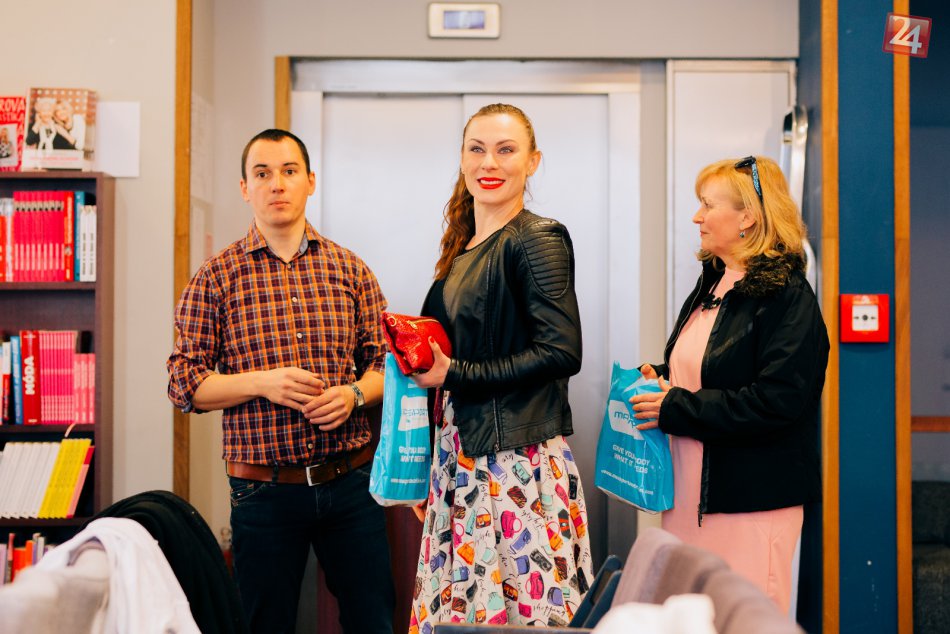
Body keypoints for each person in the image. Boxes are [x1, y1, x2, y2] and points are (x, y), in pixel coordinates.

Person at [167, 128, 395, 633]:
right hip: (262, 492)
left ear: (310, 181)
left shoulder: (350, 269)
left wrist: (355, 394)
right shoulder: (216, 277)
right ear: (245, 188)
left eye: (289, 171)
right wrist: (262, 383)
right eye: (263, 173)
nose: (277, 184)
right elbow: (185, 383)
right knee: (263, 624)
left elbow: (387, 363)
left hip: (350, 484)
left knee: (373, 620)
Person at [408, 103, 593, 630]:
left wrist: (454, 374)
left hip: (514, 462)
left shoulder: (537, 237)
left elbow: (562, 351)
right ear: (462, 158)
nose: (489, 162)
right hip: (463, 455)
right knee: (468, 613)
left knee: (522, 619)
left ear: (532, 161)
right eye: (477, 149)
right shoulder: (464, 246)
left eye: (506, 150)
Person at [632, 155, 830, 614]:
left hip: (749, 504)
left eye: (707, 205)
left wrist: (676, 407)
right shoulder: (714, 285)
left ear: (748, 217)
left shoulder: (787, 297)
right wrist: (661, 379)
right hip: (687, 499)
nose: (696, 217)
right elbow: (709, 372)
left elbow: (777, 401)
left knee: (740, 619)